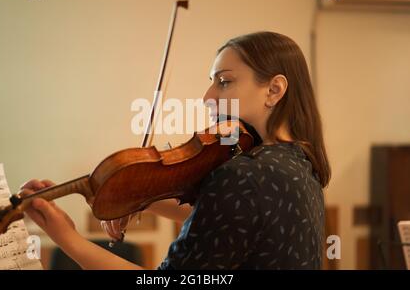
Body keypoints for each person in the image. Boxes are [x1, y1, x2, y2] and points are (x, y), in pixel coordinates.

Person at [20, 31, 331, 270]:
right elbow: (226, 220)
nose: (208, 96)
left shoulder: (244, 175)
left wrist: (69, 240)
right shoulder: (300, 164)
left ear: (274, 90)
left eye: (224, 82)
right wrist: (143, 197)